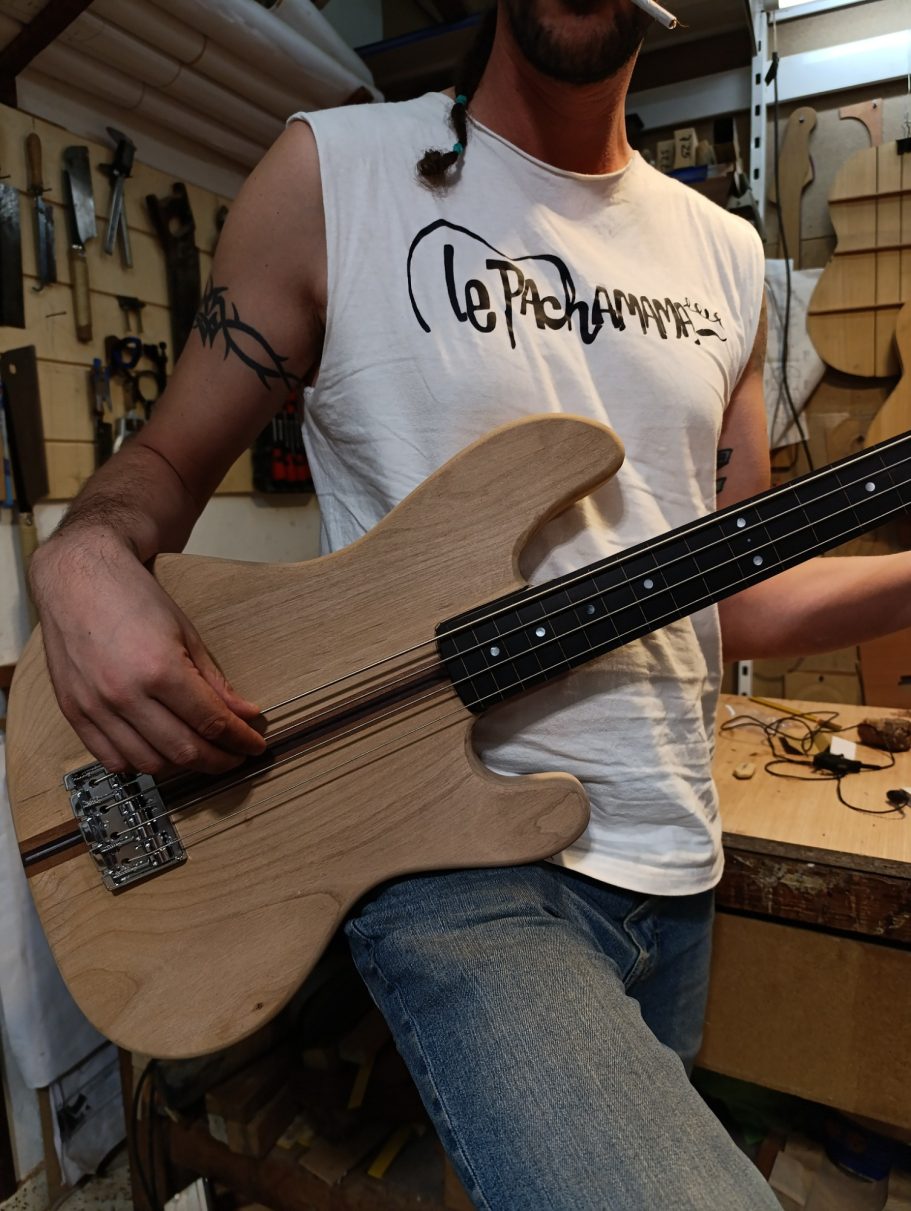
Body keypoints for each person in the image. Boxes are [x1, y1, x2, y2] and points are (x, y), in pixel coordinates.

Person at [28, 2, 910, 1207]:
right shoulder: (332, 175)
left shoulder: (723, 256)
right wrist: (81, 558)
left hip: (672, 857)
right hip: (449, 861)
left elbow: (730, 595)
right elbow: (165, 464)